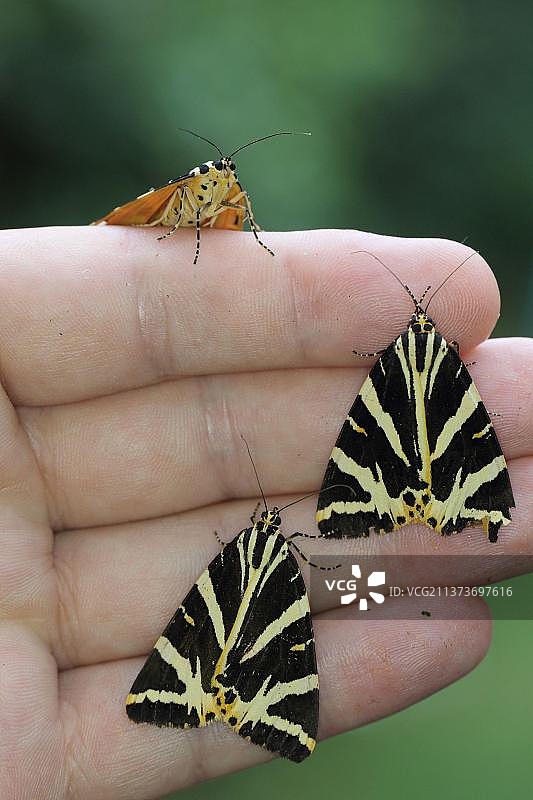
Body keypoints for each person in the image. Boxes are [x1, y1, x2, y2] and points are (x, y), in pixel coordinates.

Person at [0, 226, 530, 798]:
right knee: (283, 609)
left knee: (231, 602)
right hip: (397, 457)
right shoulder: (443, 366)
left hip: (288, 531)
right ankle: (256, 700)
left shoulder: (392, 362)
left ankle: (186, 689)